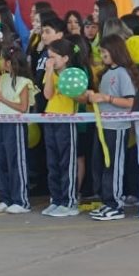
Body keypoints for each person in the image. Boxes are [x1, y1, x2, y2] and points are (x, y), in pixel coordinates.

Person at [86, 35, 139, 222]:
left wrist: (106, 98)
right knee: (103, 165)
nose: (102, 55)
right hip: (104, 126)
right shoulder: (106, 73)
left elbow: (129, 102)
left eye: (104, 51)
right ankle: (107, 201)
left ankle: (116, 205)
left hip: (117, 127)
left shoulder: (122, 73)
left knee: (114, 166)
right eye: (100, 52)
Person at [41, 39, 86, 218]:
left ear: (66, 58)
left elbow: (81, 97)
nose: (50, 60)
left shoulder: (74, 74)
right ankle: (56, 199)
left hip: (67, 121)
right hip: (50, 118)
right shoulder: (50, 72)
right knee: (52, 162)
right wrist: (49, 71)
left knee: (66, 161)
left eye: (54, 57)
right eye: (48, 57)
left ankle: (69, 201)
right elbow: (48, 94)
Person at [0, 46, 35, 214]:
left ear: (8, 62)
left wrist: (3, 99)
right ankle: (5, 198)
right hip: (2, 122)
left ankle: (21, 200)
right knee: (1, 160)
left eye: (1, 59)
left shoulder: (23, 82)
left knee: (16, 161)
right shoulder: (3, 78)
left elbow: (23, 107)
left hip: (15, 123)